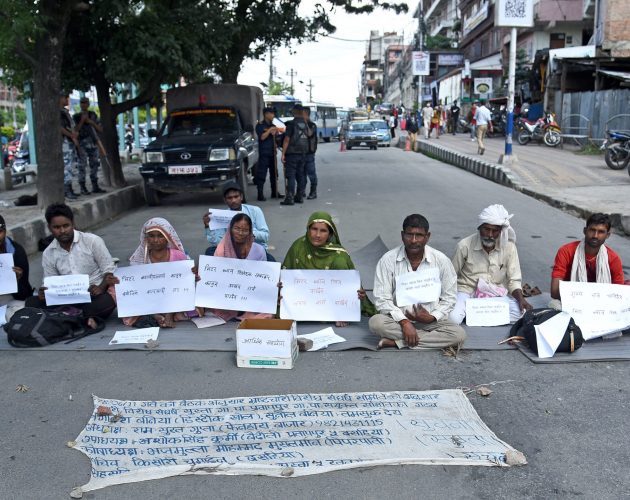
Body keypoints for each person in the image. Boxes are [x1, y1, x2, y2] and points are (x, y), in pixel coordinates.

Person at [369, 214, 466, 350]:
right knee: (376, 323)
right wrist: (404, 322)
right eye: (409, 235)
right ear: (402, 235)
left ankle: (398, 342)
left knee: (458, 334)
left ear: (427, 236)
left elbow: (449, 298)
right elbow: (382, 299)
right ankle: (425, 338)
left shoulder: (441, 260)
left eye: (419, 235)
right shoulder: (388, 260)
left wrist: (432, 317)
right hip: (397, 321)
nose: (414, 240)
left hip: (430, 322)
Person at [25, 203, 117, 324]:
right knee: (31, 302)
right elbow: (50, 281)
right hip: (66, 299)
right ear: (49, 228)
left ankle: (66, 317)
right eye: (57, 227)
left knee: (108, 300)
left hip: (93, 296)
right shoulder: (48, 252)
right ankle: (82, 318)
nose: (62, 231)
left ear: (72, 223)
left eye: (66, 226)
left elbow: (109, 270)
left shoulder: (92, 241)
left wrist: (101, 287)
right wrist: (44, 292)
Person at [282, 211, 374, 327]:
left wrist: (348, 307)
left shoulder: (338, 254)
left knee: (340, 262)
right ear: (308, 229)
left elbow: (349, 288)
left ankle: (338, 312)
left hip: (328, 305)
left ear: (330, 234)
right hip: (302, 304)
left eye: (323, 231)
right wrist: (281, 289)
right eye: (314, 229)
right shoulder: (298, 247)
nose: (318, 235)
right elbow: (285, 277)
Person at [450, 204, 532, 325]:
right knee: (453, 318)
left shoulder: (509, 247)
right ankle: (478, 315)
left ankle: (474, 316)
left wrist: (521, 300)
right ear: (479, 228)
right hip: (468, 292)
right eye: (486, 229)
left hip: (496, 294)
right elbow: (451, 275)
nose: (490, 235)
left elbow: (513, 280)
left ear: (500, 231)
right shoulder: (464, 245)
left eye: (494, 231)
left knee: (524, 314)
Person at [117, 217, 199, 328]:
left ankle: (169, 314)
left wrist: (194, 274)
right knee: (120, 291)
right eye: (151, 236)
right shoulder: (139, 258)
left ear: (168, 238)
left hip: (174, 297)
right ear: (146, 238)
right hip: (151, 298)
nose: (155, 240)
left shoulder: (178, 256)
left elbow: (186, 283)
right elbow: (136, 287)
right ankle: (157, 316)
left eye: (160, 236)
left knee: (194, 291)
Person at [550, 213, 625, 307]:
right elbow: (554, 291)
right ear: (585, 231)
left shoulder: (613, 258)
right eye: (592, 230)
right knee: (554, 305)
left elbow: (619, 295)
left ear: (607, 235)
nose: (595, 236)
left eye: (601, 232)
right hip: (571, 301)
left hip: (601, 305)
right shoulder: (566, 251)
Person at [209, 213, 274, 322]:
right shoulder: (222, 250)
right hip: (228, 296)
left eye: (245, 230)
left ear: (250, 232)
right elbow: (216, 277)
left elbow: (263, 278)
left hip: (251, 295)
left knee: (267, 312)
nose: (240, 233)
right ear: (230, 229)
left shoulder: (258, 250)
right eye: (236, 228)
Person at [202, 181, 271, 259]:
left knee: (273, 264)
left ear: (241, 197)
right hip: (230, 250)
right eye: (229, 198)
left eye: (236, 196)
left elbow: (265, 236)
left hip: (253, 249)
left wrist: (247, 232)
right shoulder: (222, 216)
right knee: (210, 252)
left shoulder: (255, 211)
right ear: (225, 200)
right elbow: (217, 242)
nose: (233, 200)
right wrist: (208, 227)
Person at [0, 215, 33, 318]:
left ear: (5, 231)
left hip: (8, 299)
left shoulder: (16, 252)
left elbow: (25, 295)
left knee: (22, 311)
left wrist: (17, 281)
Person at [73, 96, 106, 195]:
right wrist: (82, 121)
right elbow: (75, 130)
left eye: (85, 102)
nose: (83, 104)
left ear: (88, 104)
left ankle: (95, 185)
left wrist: (91, 122)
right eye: (82, 102)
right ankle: (83, 186)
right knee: (82, 165)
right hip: (82, 143)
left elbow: (100, 129)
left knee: (95, 164)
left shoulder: (93, 115)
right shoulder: (76, 117)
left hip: (93, 142)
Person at [281, 104, 311, 205]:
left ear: (294, 112)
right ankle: (299, 196)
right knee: (301, 175)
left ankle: (290, 197)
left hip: (292, 153)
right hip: (303, 153)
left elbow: (286, 139)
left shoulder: (291, 124)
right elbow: (310, 135)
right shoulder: (305, 124)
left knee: (291, 175)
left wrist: (283, 154)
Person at [254, 107, 281, 201]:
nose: (273, 115)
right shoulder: (260, 125)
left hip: (272, 153)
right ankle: (260, 194)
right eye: (271, 113)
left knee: (274, 174)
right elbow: (262, 137)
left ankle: (274, 192)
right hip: (264, 153)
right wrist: (270, 131)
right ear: (266, 114)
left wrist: (276, 134)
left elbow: (276, 139)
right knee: (262, 174)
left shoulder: (273, 125)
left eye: (273, 113)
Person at [60, 92, 80, 200]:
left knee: (71, 166)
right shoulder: (59, 113)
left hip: (70, 142)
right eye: (64, 97)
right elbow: (61, 128)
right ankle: (67, 190)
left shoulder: (65, 112)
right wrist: (72, 136)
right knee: (67, 167)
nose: (67, 99)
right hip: (65, 142)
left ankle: (69, 188)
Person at [302, 105, 318, 200]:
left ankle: (313, 191)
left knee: (311, 173)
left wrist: (305, 123)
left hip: (309, 153)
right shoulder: (298, 125)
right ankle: (302, 191)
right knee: (301, 174)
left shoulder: (312, 125)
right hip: (300, 153)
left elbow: (309, 134)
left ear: (306, 114)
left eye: (302, 114)